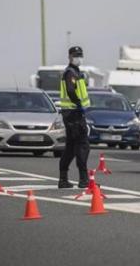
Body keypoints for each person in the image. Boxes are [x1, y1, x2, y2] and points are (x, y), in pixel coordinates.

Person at [58, 46, 91, 189]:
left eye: (80, 55)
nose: (79, 58)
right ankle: (84, 180)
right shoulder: (70, 72)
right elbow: (71, 91)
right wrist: (78, 104)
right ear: (70, 57)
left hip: (71, 114)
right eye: (76, 55)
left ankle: (63, 179)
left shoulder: (76, 72)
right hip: (74, 114)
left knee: (71, 147)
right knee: (82, 146)